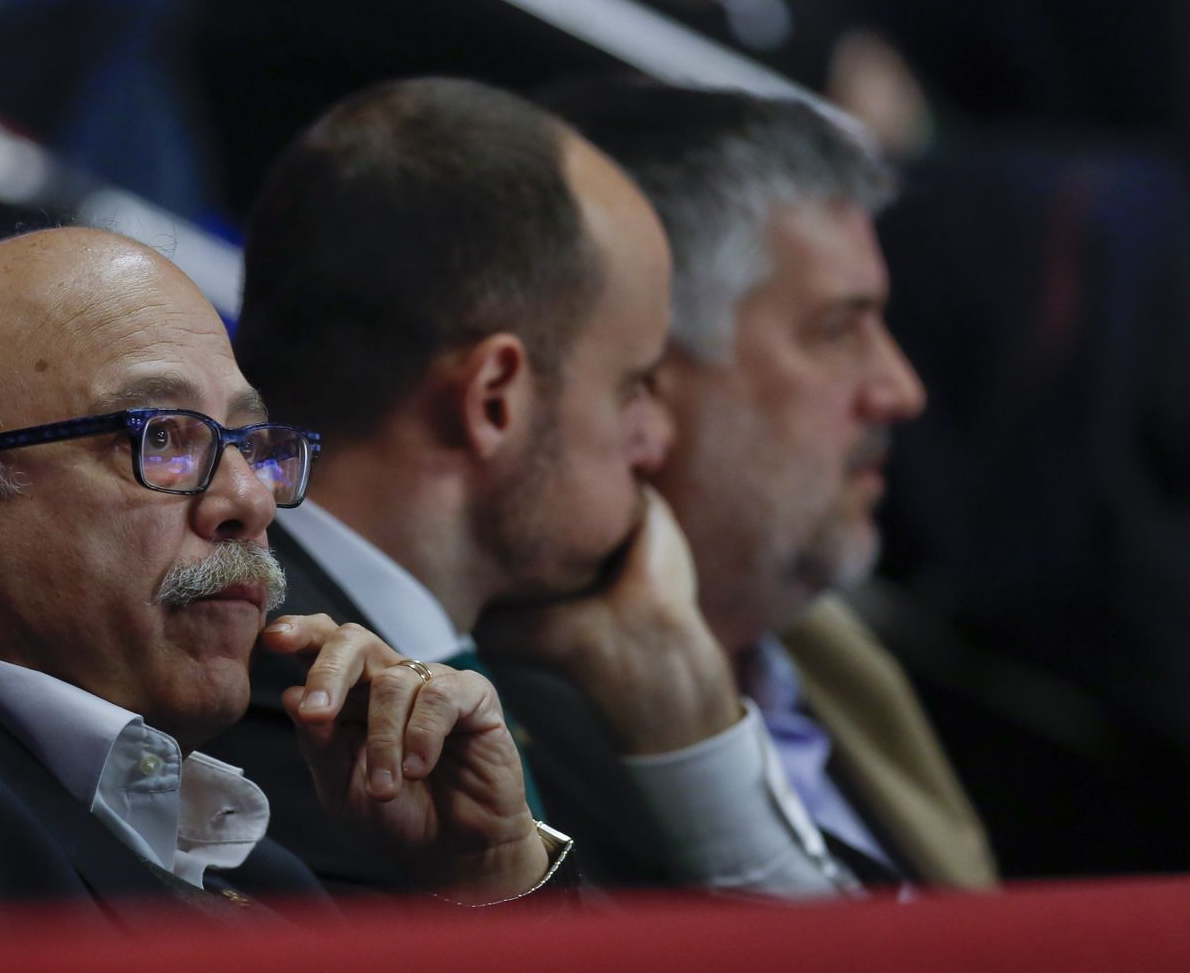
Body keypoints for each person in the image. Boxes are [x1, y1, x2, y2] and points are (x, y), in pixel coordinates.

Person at [0, 226, 575, 916]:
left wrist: (485, 871)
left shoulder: (253, 860)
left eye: (253, 444)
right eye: (162, 438)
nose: (248, 500)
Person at [206, 76, 859, 897]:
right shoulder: (260, 697)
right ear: (493, 399)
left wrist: (686, 713)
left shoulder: (558, 704)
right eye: (636, 385)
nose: (656, 442)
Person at [492, 76, 996, 889]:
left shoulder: (839, 662)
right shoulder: (501, 743)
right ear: (645, 369)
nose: (900, 389)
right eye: (837, 328)